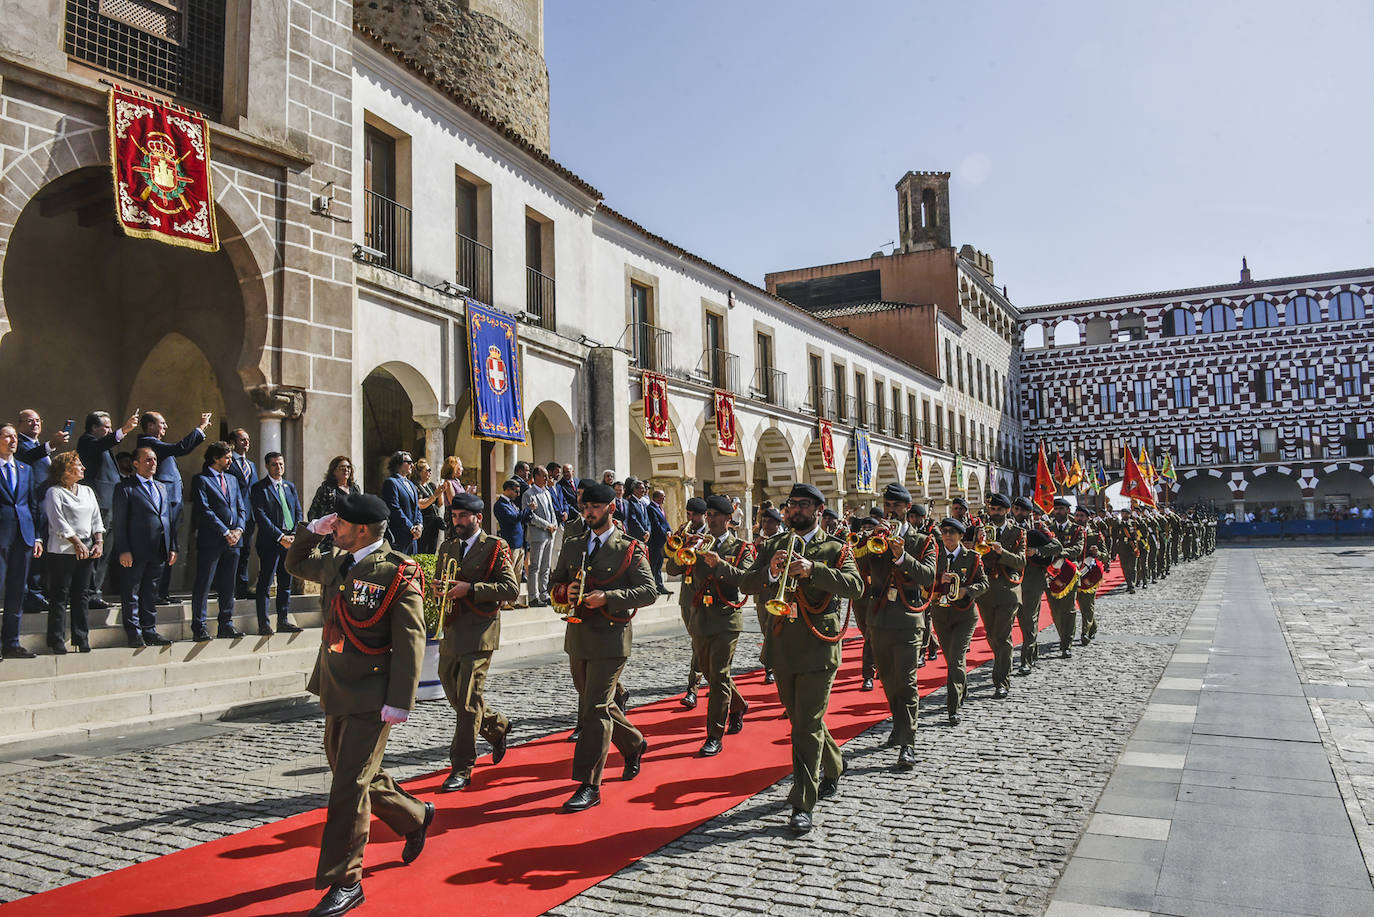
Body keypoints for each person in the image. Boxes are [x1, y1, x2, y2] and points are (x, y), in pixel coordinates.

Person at [284, 494, 432, 917]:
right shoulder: (337, 560)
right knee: (350, 771)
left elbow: (410, 639)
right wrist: (313, 530)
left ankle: (345, 880)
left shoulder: (397, 571)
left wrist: (400, 700)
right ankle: (414, 815)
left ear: (362, 530)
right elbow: (297, 564)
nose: (336, 528)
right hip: (335, 684)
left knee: (348, 785)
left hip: (372, 693)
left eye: (342, 524)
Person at [739, 483, 863, 835]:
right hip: (782, 645)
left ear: (819, 511)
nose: (795, 510)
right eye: (792, 504)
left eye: (804, 505)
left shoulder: (836, 548)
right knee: (803, 719)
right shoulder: (774, 545)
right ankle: (835, 763)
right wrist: (773, 573)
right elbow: (747, 583)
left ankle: (802, 803)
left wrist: (813, 571)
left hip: (818, 647)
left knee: (805, 726)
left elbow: (856, 587)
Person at [548, 482, 657, 812]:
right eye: (585, 507)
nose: (588, 512)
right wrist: (563, 591)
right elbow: (555, 581)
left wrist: (609, 597)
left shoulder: (629, 548)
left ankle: (589, 784)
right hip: (579, 637)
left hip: (611, 638)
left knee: (593, 709)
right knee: (599, 703)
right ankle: (634, 743)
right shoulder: (574, 543)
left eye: (595, 507)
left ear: (610, 508)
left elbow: (648, 591)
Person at [433, 492, 520, 792]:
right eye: (454, 516)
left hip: (481, 632)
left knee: (468, 701)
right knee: (455, 695)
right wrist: (438, 589)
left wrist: (469, 589)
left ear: (478, 518)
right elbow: (441, 582)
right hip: (452, 630)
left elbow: (510, 588)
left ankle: (462, 766)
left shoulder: (496, 547)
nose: (457, 522)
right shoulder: (447, 547)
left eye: (462, 517)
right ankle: (497, 727)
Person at [667, 494, 755, 757]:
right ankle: (737, 705)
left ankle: (714, 735)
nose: (711, 518)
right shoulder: (699, 543)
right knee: (709, 672)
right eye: (709, 514)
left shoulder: (741, 548)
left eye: (716, 515)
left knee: (717, 675)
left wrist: (720, 565)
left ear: (729, 519)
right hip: (699, 617)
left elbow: (747, 580)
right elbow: (672, 569)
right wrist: (685, 555)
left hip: (726, 618)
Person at [858, 483, 937, 767]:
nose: (891, 510)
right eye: (887, 505)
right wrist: (869, 541)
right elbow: (859, 566)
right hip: (879, 618)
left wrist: (902, 556)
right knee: (889, 681)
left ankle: (907, 742)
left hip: (908, 618)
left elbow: (928, 577)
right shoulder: (875, 538)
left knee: (906, 681)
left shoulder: (923, 540)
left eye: (896, 506)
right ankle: (899, 723)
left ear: (907, 508)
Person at [138, 410, 212, 602]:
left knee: (170, 547)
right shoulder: (149, 443)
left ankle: (162, 592)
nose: (165, 427)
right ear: (151, 426)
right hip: (165, 504)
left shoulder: (156, 444)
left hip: (172, 503)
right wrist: (201, 427)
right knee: (163, 547)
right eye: (162, 423)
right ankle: (155, 592)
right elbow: (181, 448)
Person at [111, 446, 176, 648]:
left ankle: (150, 630)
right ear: (136, 463)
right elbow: (119, 522)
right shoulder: (125, 488)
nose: (153, 463)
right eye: (147, 460)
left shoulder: (162, 487)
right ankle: (134, 633)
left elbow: (168, 519)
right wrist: (123, 549)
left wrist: (172, 546)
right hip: (135, 550)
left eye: (154, 459)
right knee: (132, 592)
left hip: (158, 549)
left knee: (151, 592)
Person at [928, 517, 989, 725]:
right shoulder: (934, 556)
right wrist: (938, 580)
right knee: (953, 660)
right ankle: (962, 685)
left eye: (952, 532)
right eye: (944, 532)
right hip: (941, 614)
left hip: (964, 615)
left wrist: (966, 590)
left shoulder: (972, 557)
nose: (947, 536)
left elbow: (984, 583)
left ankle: (952, 707)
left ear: (961, 536)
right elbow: (924, 581)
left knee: (955, 659)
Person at [41, 451, 104, 654]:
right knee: (60, 595)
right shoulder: (54, 492)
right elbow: (58, 521)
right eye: (78, 465)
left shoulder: (87, 491)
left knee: (81, 595)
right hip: (62, 551)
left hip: (86, 550)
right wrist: (76, 543)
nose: (83, 468)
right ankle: (56, 639)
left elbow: (96, 518)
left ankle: (81, 637)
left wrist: (98, 542)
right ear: (66, 470)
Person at [77, 410, 139, 609]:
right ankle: (85, 593)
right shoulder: (88, 441)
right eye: (106, 427)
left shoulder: (103, 445)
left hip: (112, 505)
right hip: (98, 506)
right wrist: (124, 430)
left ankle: (95, 593)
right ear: (94, 428)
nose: (110, 430)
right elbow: (103, 444)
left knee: (105, 552)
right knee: (95, 551)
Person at [190, 441, 248, 640]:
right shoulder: (201, 480)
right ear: (215, 458)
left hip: (234, 541)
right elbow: (204, 510)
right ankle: (199, 626)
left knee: (228, 584)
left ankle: (226, 623)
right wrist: (225, 531)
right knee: (204, 584)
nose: (230, 460)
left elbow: (241, 507)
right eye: (227, 457)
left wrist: (239, 530)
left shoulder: (232, 479)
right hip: (212, 540)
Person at [16, 408, 67, 613]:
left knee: (44, 551)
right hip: (30, 504)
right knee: (33, 552)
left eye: (37, 420)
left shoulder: (37, 445)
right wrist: (50, 445)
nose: (34, 423)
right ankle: (31, 594)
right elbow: (27, 458)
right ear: (19, 424)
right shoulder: (19, 444)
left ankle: (39, 591)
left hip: (45, 506)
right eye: (29, 421)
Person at [974, 494, 1025, 699]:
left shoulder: (1018, 532)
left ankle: (1001, 681)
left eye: (998, 510)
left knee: (1002, 637)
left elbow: (1020, 561)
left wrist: (1002, 552)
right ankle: (1002, 664)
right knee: (991, 635)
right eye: (992, 509)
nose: (994, 513)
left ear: (1006, 511)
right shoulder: (982, 531)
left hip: (1007, 591)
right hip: (986, 592)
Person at [0, 423, 43, 658]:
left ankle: (12, 643)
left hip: (23, 536)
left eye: (15, 437)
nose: (13, 440)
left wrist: (36, 535)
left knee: (17, 592)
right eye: (7, 436)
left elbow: (32, 504)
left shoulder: (25, 468)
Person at [250, 452, 305, 636]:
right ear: (267, 466)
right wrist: (280, 536)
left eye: (281, 464)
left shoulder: (290, 486)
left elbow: (297, 511)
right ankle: (264, 623)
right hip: (270, 542)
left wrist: (295, 534)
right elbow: (261, 517)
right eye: (274, 464)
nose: (278, 467)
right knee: (265, 583)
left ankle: (283, 620)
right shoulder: (260, 488)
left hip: (290, 542)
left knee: (285, 583)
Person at [675, 496, 709, 707]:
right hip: (687, 595)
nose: (691, 518)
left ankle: (692, 689)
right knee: (698, 642)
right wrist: (677, 545)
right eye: (689, 514)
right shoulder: (683, 533)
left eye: (695, 515)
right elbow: (671, 566)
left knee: (699, 642)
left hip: (707, 595)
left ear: (704, 515)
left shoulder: (711, 534)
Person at [1044, 497, 1084, 658]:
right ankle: (1063, 636)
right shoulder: (1048, 529)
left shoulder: (1076, 530)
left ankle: (1066, 643)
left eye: (1061, 509)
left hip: (1069, 573)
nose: (1058, 511)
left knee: (1068, 610)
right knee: (1055, 611)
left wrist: (1061, 553)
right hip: (1051, 573)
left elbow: (1078, 548)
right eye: (1056, 509)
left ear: (1068, 510)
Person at [752, 506, 783, 683]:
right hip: (763, 593)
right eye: (763, 521)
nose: (765, 524)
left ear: (777, 524)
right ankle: (770, 666)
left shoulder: (782, 540)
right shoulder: (760, 541)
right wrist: (757, 548)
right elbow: (754, 569)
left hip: (779, 593)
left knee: (777, 631)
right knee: (765, 630)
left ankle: (774, 665)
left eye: (769, 521)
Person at [227, 428, 258, 599]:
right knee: (233, 553)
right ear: (233, 442)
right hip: (234, 515)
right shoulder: (229, 463)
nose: (246, 443)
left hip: (250, 515)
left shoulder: (251, 465)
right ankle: (228, 587)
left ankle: (242, 587)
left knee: (246, 551)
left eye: (247, 439)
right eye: (242, 440)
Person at [523, 464, 559, 607]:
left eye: (546, 476)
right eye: (543, 476)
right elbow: (530, 516)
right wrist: (547, 525)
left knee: (546, 566)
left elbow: (551, 511)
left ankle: (544, 594)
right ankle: (533, 597)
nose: (546, 478)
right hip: (538, 534)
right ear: (535, 476)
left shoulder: (546, 492)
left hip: (550, 534)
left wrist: (554, 524)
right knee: (535, 566)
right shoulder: (528, 494)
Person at [380, 451, 422, 554]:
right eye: (408, 462)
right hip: (399, 536)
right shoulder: (391, 482)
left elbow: (417, 508)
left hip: (413, 538)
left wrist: (419, 525)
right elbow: (394, 508)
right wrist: (410, 527)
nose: (412, 465)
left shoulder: (411, 484)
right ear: (398, 464)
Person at [493, 478, 529, 583]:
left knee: (517, 575)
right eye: (516, 491)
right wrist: (528, 509)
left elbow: (520, 518)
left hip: (520, 544)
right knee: (509, 575)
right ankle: (506, 599)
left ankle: (514, 599)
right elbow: (514, 518)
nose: (518, 494)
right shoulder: (500, 505)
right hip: (511, 545)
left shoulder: (511, 504)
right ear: (508, 490)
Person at [309, 456, 362, 523]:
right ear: (334, 471)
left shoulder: (355, 488)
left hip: (351, 529)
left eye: (348, 467)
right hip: (332, 529)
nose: (346, 469)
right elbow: (312, 513)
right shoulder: (326, 489)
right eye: (342, 467)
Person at [411, 459, 443, 555]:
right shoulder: (415, 486)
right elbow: (420, 504)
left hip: (434, 523)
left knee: (432, 550)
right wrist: (435, 496)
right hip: (424, 523)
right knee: (423, 549)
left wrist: (440, 492)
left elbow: (439, 504)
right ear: (420, 473)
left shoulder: (431, 486)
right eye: (428, 470)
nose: (430, 472)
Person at [646, 488, 672, 595]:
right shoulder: (651, 508)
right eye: (662, 496)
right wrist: (665, 534)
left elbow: (665, 522)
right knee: (653, 564)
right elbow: (656, 524)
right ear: (656, 498)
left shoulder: (661, 508)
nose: (664, 498)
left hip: (662, 542)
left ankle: (659, 585)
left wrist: (670, 530)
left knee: (659, 564)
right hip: (655, 541)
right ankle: (652, 587)